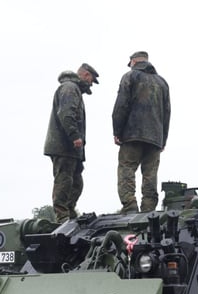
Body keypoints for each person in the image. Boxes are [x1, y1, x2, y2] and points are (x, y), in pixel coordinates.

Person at [112, 51, 171, 213]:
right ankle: (148, 210)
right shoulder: (162, 83)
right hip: (155, 138)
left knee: (127, 169)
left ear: (133, 61)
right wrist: (163, 139)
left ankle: (130, 206)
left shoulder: (130, 77)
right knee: (150, 174)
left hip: (132, 134)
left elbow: (121, 105)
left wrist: (117, 130)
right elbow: (167, 113)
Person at [43, 62, 99, 223]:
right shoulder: (69, 88)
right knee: (64, 180)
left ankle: (69, 211)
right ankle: (62, 216)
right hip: (63, 146)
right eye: (91, 80)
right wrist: (74, 136)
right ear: (86, 75)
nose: (91, 84)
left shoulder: (73, 89)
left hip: (70, 149)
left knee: (75, 181)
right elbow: (66, 113)